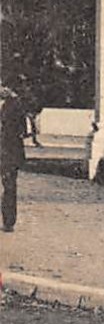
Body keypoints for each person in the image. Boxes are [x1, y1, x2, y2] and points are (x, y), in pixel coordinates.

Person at [1, 82, 29, 233]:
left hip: (8, 152)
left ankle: (9, 221)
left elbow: (22, 130)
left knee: (10, 187)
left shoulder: (15, 105)